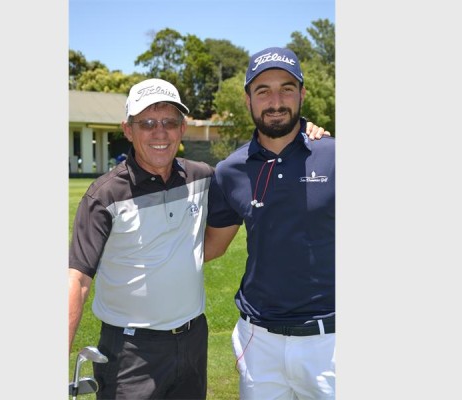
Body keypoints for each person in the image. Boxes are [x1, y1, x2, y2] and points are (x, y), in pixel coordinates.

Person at [69, 77, 329, 399]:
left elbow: (216, 241)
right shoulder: (104, 196)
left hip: (192, 341)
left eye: (169, 122)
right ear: (128, 130)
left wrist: (304, 131)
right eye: (147, 123)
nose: (160, 132)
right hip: (130, 350)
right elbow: (77, 280)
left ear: (182, 128)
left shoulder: (203, 177)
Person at [204, 47, 335, 399]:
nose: (276, 102)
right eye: (263, 91)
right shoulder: (229, 171)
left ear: (302, 94)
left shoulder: (334, 156)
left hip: (330, 342)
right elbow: (212, 247)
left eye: (286, 89)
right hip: (258, 341)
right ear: (248, 99)